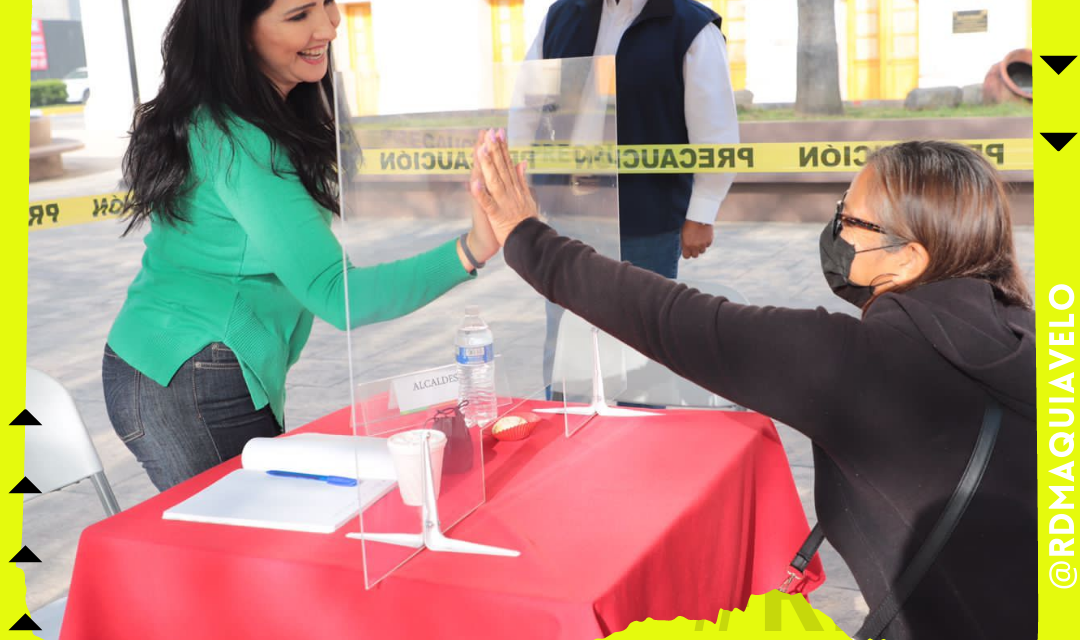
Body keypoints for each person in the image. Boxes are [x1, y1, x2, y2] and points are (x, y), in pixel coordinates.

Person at [471, 134, 1035, 640]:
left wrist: (527, 238)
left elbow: (668, 317)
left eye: (852, 222)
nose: (836, 230)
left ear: (909, 258)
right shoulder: (1034, 339)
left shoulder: (858, 363)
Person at [102, 0, 499, 492]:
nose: (328, 27)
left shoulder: (251, 116)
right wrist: (472, 248)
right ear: (239, 32)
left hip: (183, 363)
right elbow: (338, 295)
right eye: (299, 16)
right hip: (189, 375)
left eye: (329, 4)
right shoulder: (239, 139)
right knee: (242, 554)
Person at [528, 0, 740, 273]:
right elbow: (529, 108)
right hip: (566, 212)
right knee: (564, 315)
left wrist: (702, 213)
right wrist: (525, 182)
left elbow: (715, 131)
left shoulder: (691, 26)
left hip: (646, 222)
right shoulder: (561, 16)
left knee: (640, 315)